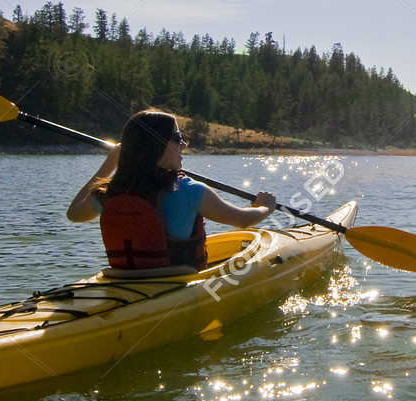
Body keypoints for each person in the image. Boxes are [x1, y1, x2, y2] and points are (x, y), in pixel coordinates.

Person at [67, 109, 277, 277]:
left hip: (124, 280)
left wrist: (110, 163)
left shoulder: (110, 193)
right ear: (157, 145)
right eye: (177, 138)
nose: (183, 145)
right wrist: (265, 206)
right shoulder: (189, 190)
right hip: (175, 282)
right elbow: (242, 220)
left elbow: (74, 214)